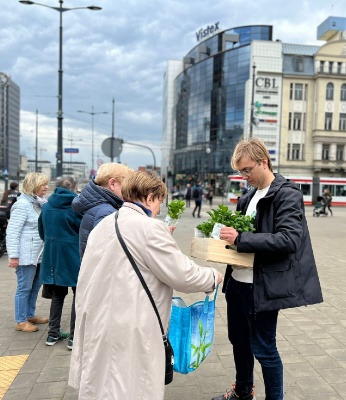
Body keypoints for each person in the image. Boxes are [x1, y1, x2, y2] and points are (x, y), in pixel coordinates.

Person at [69, 170, 223, 400]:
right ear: (150, 197)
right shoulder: (149, 228)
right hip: (132, 325)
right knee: (130, 387)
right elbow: (183, 274)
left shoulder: (105, 223)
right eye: (160, 200)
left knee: (102, 386)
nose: (160, 208)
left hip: (98, 320)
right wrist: (212, 276)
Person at [216, 138, 323, 400]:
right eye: (240, 172)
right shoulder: (247, 197)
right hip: (238, 283)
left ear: (264, 162)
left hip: (263, 287)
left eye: (247, 170)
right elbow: (240, 237)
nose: (245, 176)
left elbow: (289, 239)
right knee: (239, 343)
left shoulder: (287, 193)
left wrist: (241, 238)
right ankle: (243, 392)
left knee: (264, 348)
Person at [38, 176, 82, 349]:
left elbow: (42, 231)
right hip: (73, 256)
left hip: (53, 256)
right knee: (79, 296)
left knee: (57, 296)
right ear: (72, 187)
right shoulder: (76, 206)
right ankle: (74, 337)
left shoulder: (47, 206)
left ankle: (52, 334)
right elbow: (84, 230)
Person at [6, 172, 50, 333]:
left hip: (38, 254)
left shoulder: (38, 203)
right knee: (24, 287)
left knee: (35, 286)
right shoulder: (22, 205)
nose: (46, 187)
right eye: (43, 184)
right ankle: (21, 320)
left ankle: (30, 314)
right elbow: (12, 232)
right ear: (34, 186)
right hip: (26, 255)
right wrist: (13, 256)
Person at [71, 162, 132, 258]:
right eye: (125, 186)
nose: (128, 192)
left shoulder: (98, 206)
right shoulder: (107, 212)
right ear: (112, 183)